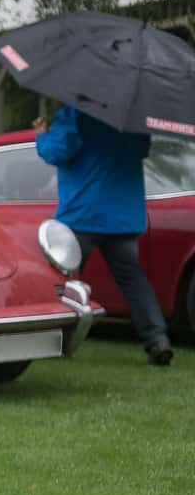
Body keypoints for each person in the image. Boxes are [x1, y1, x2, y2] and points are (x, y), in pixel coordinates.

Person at [34, 105, 172, 365]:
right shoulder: (133, 118)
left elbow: (58, 152)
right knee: (133, 282)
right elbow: (141, 150)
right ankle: (157, 340)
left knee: (64, 280)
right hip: (123, 218)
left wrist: (42, 136)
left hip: (82, 214)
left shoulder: (76, 111)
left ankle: (56, 339)